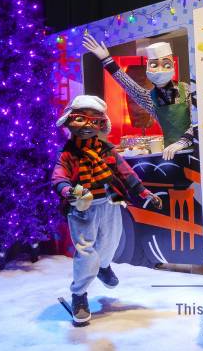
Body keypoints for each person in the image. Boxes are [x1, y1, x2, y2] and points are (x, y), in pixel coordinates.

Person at [51, 95, 162, 325]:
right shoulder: (69, 154)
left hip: (110, 202)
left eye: (94, 121)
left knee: (111, 241)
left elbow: (126, 173)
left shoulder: (107, 151)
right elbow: (59, 176)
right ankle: (79, 294)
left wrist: (145, 194)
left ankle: (103, 266)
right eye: (81, 119)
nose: (88, 126)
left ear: (102, 124)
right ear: (70, 121)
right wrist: (67, 191)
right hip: (82, 208)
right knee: (85, 251)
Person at [83, 35, 196, 160]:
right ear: (148, 68)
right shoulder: (149, 98)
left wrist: (184, 141)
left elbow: (198, 122)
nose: (160, 70)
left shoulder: (186, 89)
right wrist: (106, 59)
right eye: (154, 65)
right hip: (171, 154)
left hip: (196, 149)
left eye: (166, 65)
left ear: (172, 66)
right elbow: (126, 83)